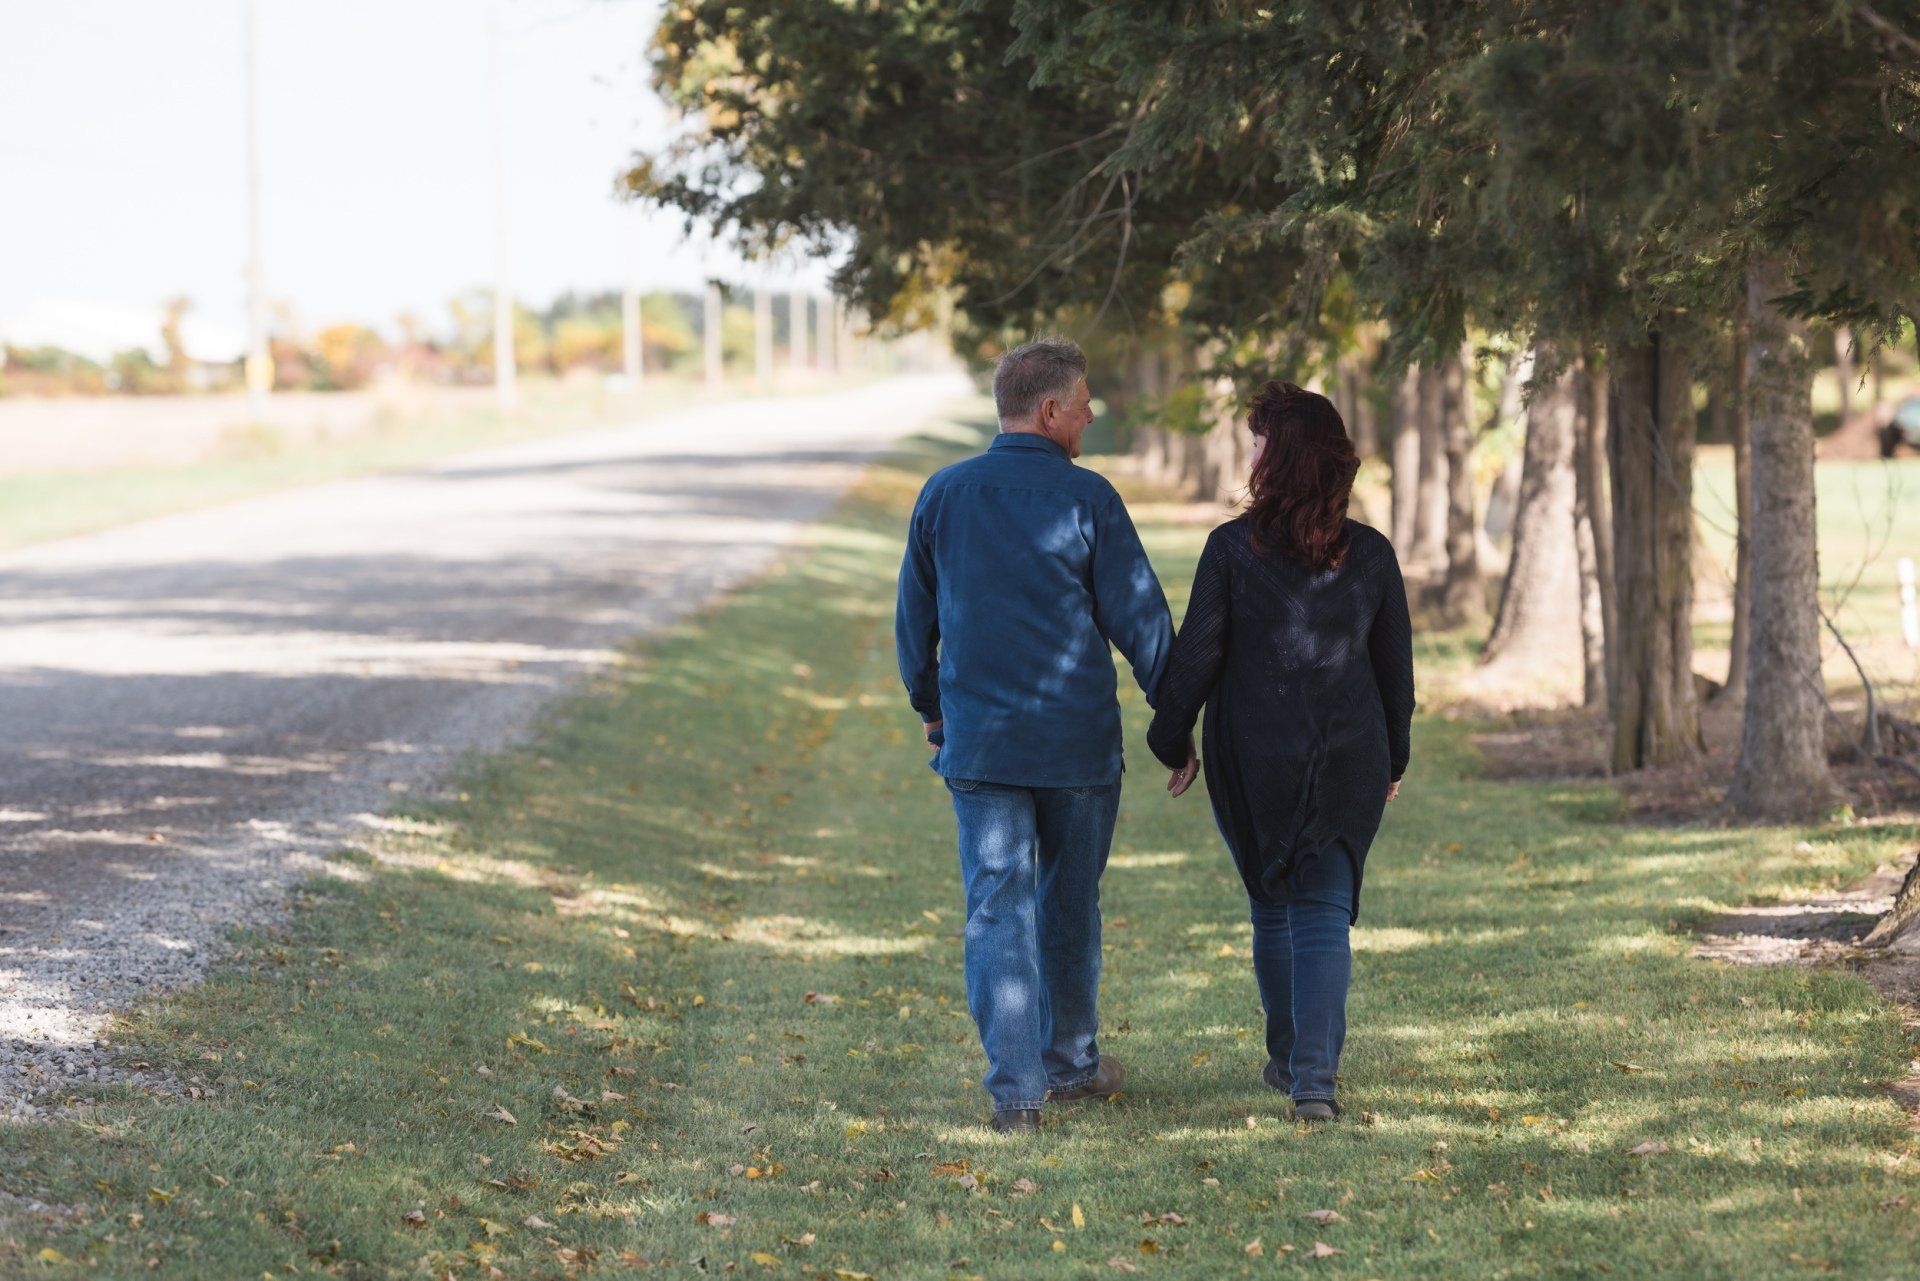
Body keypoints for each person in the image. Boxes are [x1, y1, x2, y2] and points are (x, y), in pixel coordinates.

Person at [895, 337, 1174, 1133]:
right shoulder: (1091, 500)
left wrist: (931, 706)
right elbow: (1143, 622)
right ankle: (1070, 1064)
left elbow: (916, 621)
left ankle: (1017, 1092)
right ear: (1050, 410)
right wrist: (1174, 718)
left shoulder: (943, 493)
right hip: (1077, 746)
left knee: (996, 908)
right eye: (1083, 401)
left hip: (981, 742)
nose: (1092, 412)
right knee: (1068, 903)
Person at [1146, 380, 1414, 1122]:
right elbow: (1396, 674)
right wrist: (1393, 757)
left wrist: (1172, 739)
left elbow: (1196, 657)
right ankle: (1312, 1083)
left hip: (1253, 757)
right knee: (1322, 907)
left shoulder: (1231, 550)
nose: (1251, 450)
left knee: (1274, 904)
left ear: (1284, 454)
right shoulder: (1372, 554)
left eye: (1260, 438)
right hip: (1348, 755)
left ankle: (1292, 1058)